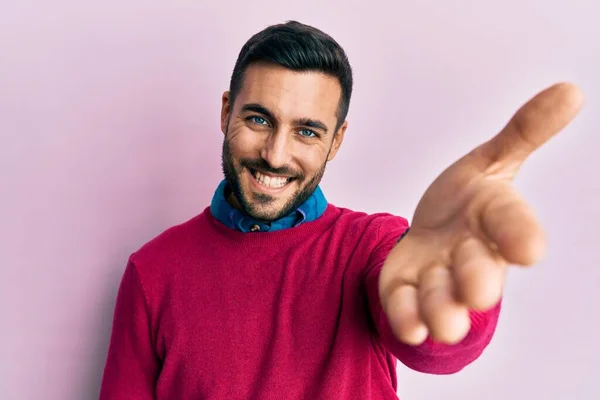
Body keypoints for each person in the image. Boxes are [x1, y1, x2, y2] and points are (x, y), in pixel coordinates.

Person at [98, 20, 583, 400]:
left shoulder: (373, 248)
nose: (275, 154)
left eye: (307, 131)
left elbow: (434, 342)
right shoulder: (153, 270)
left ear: (336, 141)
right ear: (226, 112)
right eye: (258, 119)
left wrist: (456, 291)